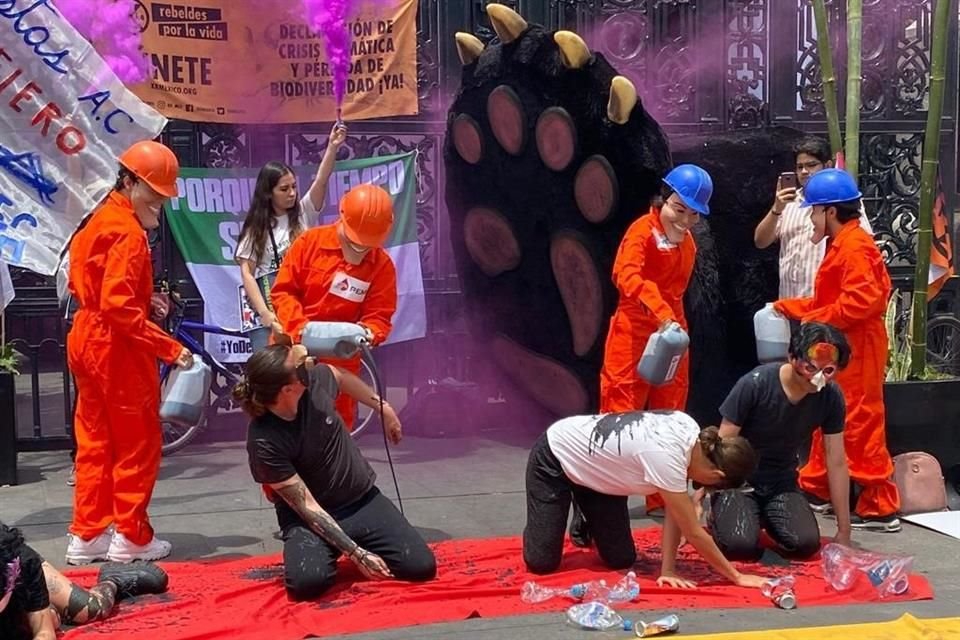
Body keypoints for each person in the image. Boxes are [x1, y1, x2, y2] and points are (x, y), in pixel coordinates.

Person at [65, 140, 194, 565]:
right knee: (138, 442)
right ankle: (132, 537)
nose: (159, 201)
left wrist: (145, 298)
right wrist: (170, 348)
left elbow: (92, 288)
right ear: (130, 181)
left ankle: (88, 535)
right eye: (154, 192)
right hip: (116, 346)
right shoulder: (128, 234)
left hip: (86, 335)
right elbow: (120, 308)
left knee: (95, 440)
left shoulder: (99, 220)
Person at [234, 344, 436, 600]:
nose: (307, 365)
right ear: (287, 389)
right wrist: (356, 553)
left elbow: (339, 376)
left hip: (361, 501)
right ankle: (337, 546)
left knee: (420, 567)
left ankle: (359, 539)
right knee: (306, 585)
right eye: (298, 367)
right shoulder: (264, 439)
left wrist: (382, 407)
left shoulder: (314, 382)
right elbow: (306, 506)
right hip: (309, 518)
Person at [774, 168, 901, 532]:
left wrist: (811, 318)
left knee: (859, 421)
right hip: (843, 345)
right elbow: (834, 301)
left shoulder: (856, 247)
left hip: (857, 347)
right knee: (829, 412)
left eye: (814, 210)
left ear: (830, 212)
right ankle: (818, 487)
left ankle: (879, 506)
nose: (811, 218)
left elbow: (859, 303)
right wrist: (790, 308)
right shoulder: (846, 244)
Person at [523, 409, 767, 589]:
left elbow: (676, 513)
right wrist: (736, 576)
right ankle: (574, 499)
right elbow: (692, 531)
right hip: (557, 455)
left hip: (603, 477)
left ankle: (587, 511)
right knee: (542, 562)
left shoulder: (693, 438)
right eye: (712, 485)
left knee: (621, 559)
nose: (702, 488)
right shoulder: (667, 456)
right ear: (717, 475)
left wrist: (668, 570)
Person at [596, 164, 713, 522]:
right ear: (663, 201)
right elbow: (625, 275)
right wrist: (661, 313)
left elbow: (678, 292)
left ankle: (663, 496)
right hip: (633, 333)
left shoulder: (688, 242)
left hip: (672, 335)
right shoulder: (641, 233)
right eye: (680, 210)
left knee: (669, 415)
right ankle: (603, 500)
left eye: (694, 214)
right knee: (620, 415)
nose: (686, 219)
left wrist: (672, 323)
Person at [708, 322, 853, 561]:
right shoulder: (755, 384)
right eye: (810, 368)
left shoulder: (830, 396)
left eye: (827, 371)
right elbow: (721, 445)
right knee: (739, 546)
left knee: (805, 545)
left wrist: (844, 531)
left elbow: (836, 461)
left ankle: (764, 515)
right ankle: (721, 516)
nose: (817, 379)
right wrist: (700, 496)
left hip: (780, 482)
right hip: (738, 482)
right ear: (792, 358)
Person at [270, 181, 398, 430]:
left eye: (367, 244)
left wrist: (369, 333)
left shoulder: (381, 266)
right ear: (342, 219)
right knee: (283, 430)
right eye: (355, 242)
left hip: (341, 360)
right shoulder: (309, 244)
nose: (360, 249)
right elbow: (284, 292)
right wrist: (300, 333)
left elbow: (379, 316)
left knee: (335, 435)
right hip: (290, 353)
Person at [235, 123, 348, 350]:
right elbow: (247, 274)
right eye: (284, 189)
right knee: (271, 370)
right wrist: (265, 314)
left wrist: (333, 147)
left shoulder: (303, 213)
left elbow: (321, 181)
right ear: (268, 192)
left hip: (302, 300)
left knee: (305, 363)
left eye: (294, 187)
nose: (292, 193)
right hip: (269, 303)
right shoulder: (256, 228)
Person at [0, 522, 168, 640]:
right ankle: (49, 611)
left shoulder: (22, 561)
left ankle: (112, 581)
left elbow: (44, 633)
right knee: (40, 622)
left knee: (90, 609)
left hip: (16, 575)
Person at [754, 136, 873, 299]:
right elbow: (760, 242)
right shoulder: (789, 202)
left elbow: (861, 244)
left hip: (828, 304)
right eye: (799, 167)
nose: (804, 172)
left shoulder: (844, 200)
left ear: (828, 165)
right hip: (791, 301)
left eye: (811, 165)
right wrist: (776, 209)